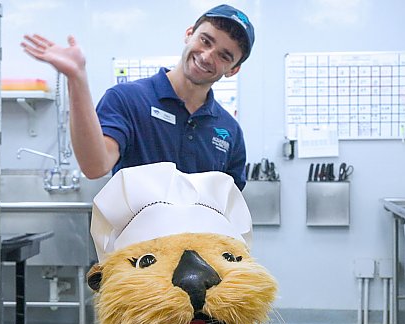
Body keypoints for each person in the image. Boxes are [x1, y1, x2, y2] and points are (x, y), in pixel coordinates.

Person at [21, 4, 255, 190]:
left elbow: (229, 206)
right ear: (189, 34)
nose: (206, 56)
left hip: (201, 239)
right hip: (137, 238)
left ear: (233, 70)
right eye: (205, 40)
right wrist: (77, 78)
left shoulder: (229, 130)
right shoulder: (127, 99)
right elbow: (95, 166)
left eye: (224, 56)